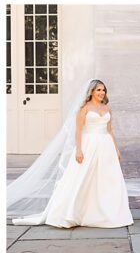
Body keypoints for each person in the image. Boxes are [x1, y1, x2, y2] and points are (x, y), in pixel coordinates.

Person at [9, 79, 132, 228]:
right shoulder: (84, 108)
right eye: (98, 90)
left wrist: (116, 148)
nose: (102, 92)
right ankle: (74, 212)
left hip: (106, 146)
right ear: (92, 91)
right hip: (88, 145)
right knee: (82, 178)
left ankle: (107, 212)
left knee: (107, 179)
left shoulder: (107, 109)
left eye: (103, 90)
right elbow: (78, 130)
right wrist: (79, 150)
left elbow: (110, 130)